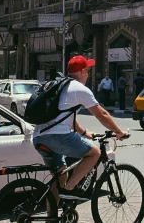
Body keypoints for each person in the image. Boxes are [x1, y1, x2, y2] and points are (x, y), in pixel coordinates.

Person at [33, 55, 128, 202]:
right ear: (82, 71)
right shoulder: (79, 89)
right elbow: (101, 114)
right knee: (94, 153)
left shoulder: (60, 85)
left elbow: (66, 118)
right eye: (88, 71)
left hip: (39, 136)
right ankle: (70, 189)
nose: (89, 75)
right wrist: (118, 132)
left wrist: (84, 133)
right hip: (56, 137)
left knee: (61, 175)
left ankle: (52, 218)